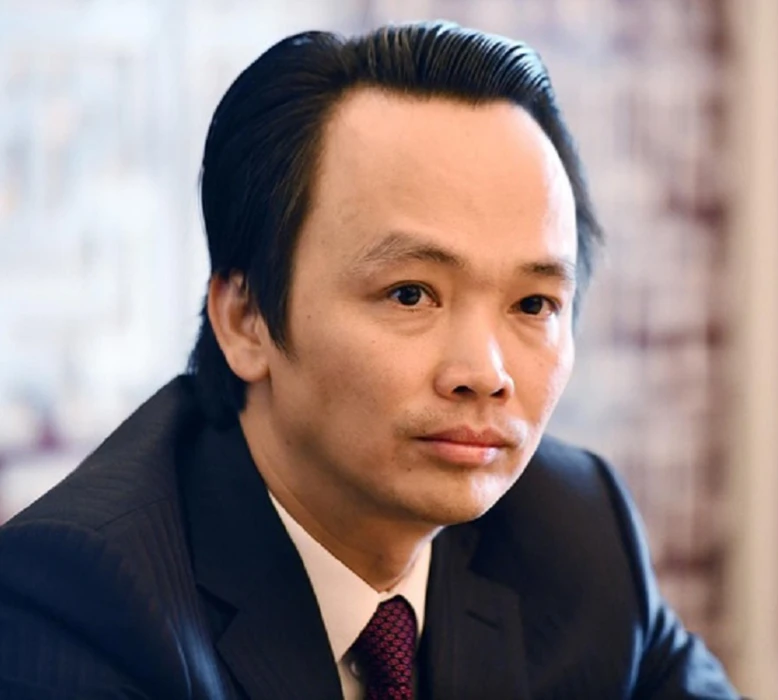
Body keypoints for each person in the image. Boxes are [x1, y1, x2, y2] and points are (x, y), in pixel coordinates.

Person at [0, 21, 739, 700]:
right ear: (245, 319)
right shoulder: (84, 601)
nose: (485, 373)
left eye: (533, 304)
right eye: (411, 294)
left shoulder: (574, 529)